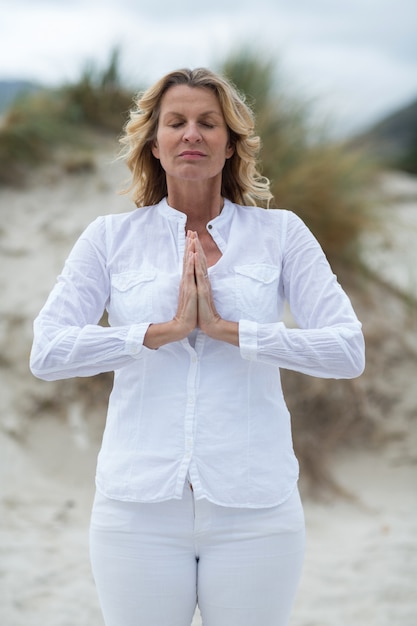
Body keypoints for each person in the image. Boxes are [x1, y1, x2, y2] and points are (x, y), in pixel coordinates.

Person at [30, 67, 365, 626]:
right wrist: (157, 332)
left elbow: (346, 349)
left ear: (230, 145)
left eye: (208, 123)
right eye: (176, 122)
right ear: (154, 144)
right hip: (136, 508)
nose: (192, 134)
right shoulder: (110, 239)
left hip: (256, 507)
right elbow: (47, 351)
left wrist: (232, 331)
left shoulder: (280, 234)